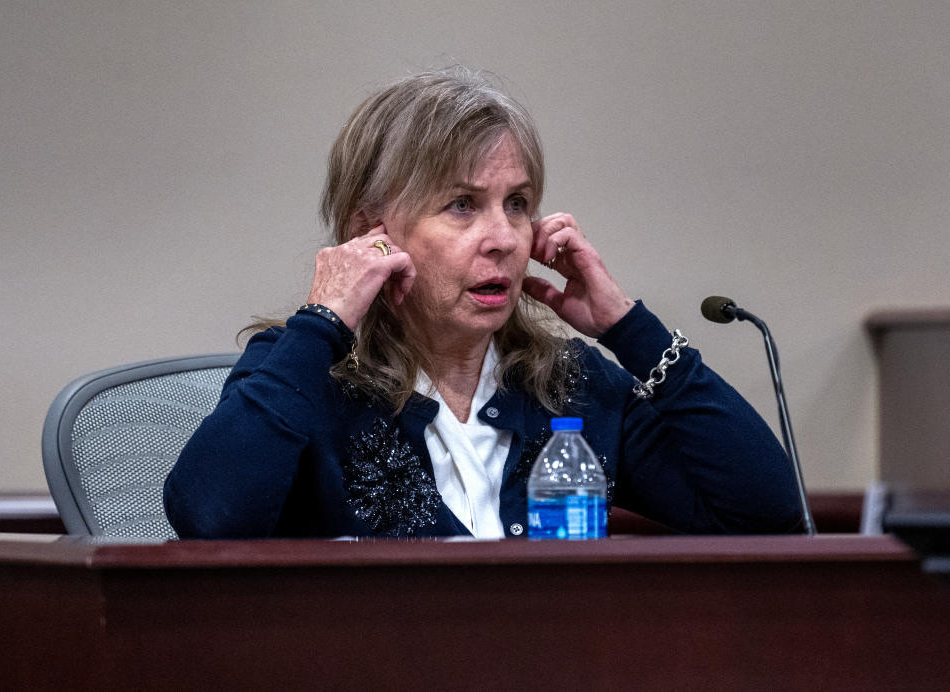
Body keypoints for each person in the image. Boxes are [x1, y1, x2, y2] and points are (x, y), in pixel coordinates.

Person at [163, 67, 802, 539]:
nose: (503, 240)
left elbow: (768, 515)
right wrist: (321, 324)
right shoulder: (304, 369)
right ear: (372, 231)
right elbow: (209, 519)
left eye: (517, 204)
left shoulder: (567, 384)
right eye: (462, 205)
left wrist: (631, 329)